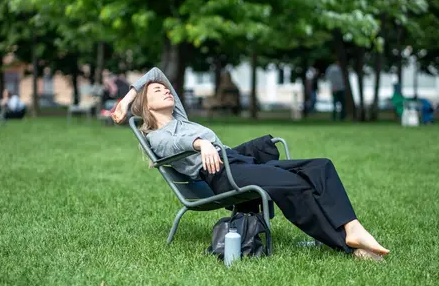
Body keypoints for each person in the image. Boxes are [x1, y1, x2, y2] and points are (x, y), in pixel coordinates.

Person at [111, 67, 390, 261]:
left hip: (236, 162)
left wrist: (126, 98)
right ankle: (349, 247)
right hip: (221, 174)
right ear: (146, 107)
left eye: (167, 90)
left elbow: (157, 72)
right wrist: (201, 143)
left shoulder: (180, 119)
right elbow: (174, 146)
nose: (167, 91)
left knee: (320, 166)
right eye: (158, 91)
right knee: (295, 185)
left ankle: (351, 228)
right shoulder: (157, 136)